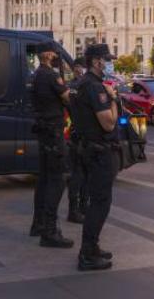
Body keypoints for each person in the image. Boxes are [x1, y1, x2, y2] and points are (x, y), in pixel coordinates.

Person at [73, 44, 119, 271]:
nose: (108, 63)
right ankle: (87, 254)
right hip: (99, 151)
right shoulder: (95, 87)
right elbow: (109, 123)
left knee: (96, 201)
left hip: (89, 148)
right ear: (95, 61)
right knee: (100, 203)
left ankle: (92, 247)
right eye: (105, 59)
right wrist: (113, 99)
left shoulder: (83, 84)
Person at [29, 41, 73, 248]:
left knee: (44, 178)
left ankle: (38, 224)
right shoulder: (50, 75)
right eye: (55, 53)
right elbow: (67, 98)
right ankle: (50, 230)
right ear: (47, 54)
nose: (57, 56)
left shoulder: (37, 74)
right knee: (58, 178)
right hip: (53, 131)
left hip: (43, 129)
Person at [66, 57, 89, 224]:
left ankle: (81, 206)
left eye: (81, 67)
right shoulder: (77, 86)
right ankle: (75, 209)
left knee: (83, 174)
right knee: (78, 174)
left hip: (79, 133)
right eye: (77, 67)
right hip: (78, 134)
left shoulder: (73, 86)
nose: (79, 70)